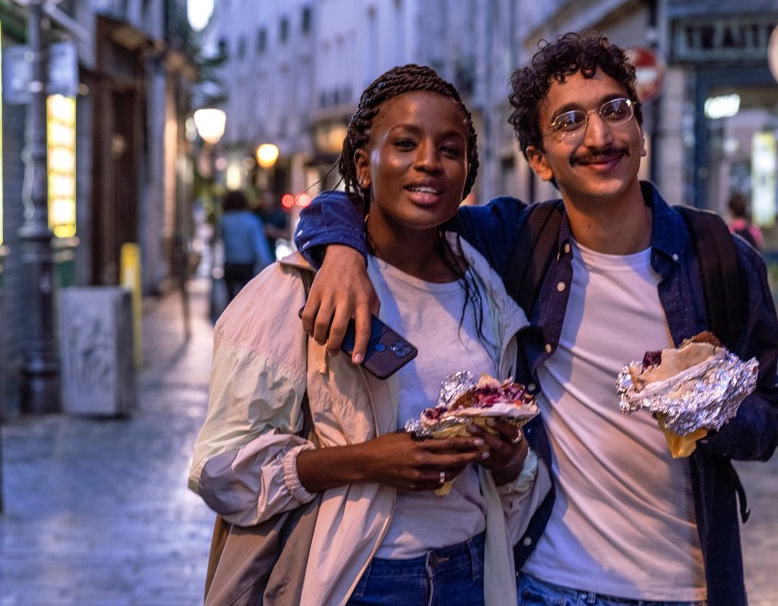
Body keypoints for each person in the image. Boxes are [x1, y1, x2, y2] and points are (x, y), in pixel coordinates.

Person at [295, 31, 778, 604]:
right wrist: (340, 250)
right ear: (538, 159)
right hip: (545, 583)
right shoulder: (516, 242)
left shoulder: (718, 258)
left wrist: (709, 404)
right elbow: (379, 200)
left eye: (614, 110)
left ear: (641, 131)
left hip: (689, 586)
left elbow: (769, 424)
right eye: (569, 121)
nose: (599, 135)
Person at [189, 65, 549, 605]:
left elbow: (507, 482)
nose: (430, 161)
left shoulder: (488, 289)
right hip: (358, 580)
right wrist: (368, 461)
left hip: (472, 573)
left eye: (451, 149)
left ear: (468, 171)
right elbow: (221, 470)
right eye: (406, 143)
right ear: (364, 163)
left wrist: (509, 458)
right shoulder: (299, 289)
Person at [217, 190, 275, 305]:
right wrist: (268, 266)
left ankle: (230, 321)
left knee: (230, 301)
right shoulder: (252, 221)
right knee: (246, 302)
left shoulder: (223, 220)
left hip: (229, 265)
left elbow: (219, 242)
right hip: (247, 266)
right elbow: (259, 246)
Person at [254, 188, 289, 258]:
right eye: (263, 198)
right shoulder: (256, 214)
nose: (266, 201)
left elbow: (288, 235)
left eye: (268, 198)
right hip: (258, 253)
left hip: (275, 252)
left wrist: (274, 232)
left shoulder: (280, 215)